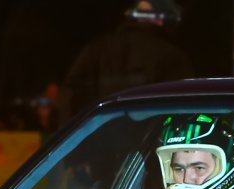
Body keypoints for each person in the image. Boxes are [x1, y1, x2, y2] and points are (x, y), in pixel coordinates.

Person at [63, 0, 194, 118]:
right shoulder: (171, 55)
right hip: (146, 138)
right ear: (161, 20)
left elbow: (70, 94)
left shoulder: (97, 49)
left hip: (97, 135)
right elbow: (182, 103)